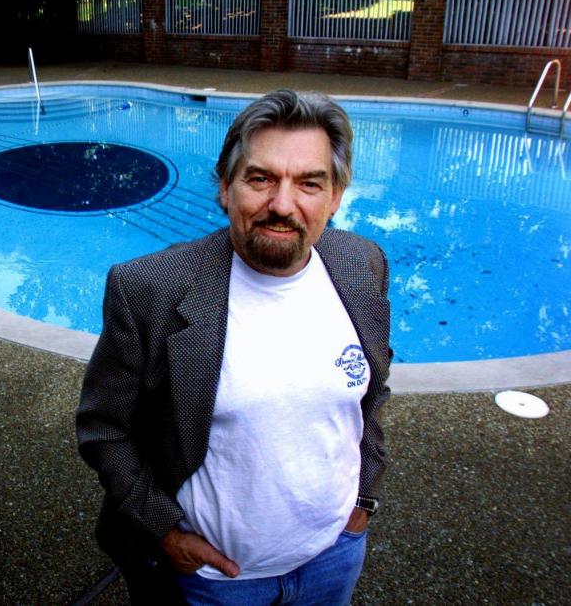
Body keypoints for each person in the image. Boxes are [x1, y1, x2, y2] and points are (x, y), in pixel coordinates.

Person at [75, 89, 392, 605]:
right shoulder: (151, 290)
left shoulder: (363, 265)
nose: (282, 205)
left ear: (335, 197)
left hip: (333, 559)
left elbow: (371, 393)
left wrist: (363, 501)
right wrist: (165, 533)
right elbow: (103, 428)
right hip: (212, 581)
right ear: (225, 187)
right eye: (260, 179)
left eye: (309, 183)